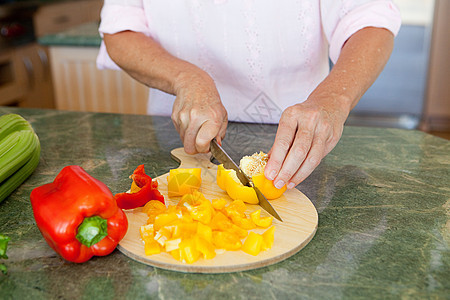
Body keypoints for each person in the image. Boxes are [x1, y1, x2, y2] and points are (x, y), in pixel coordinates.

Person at [97, 0, 401, 190]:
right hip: (176, 137)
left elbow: (369, 18)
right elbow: (120, 28)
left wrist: (333, 97)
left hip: (300, 142)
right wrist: (186, 78)